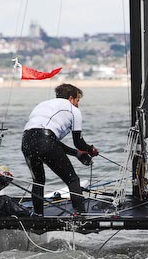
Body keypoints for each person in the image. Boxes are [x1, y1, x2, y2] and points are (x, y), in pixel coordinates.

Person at [22, 83, 99, 216]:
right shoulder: (73, 110)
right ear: (71, 98)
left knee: (38, 181)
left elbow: (48, 140)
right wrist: (90, 150)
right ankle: (81, 217)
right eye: (77, 100)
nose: (77, 104)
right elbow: (78, 142)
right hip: (46, 141)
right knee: (73, 180)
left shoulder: (42, 105)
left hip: (26, 141)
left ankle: (38, 217)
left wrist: (77, 154)